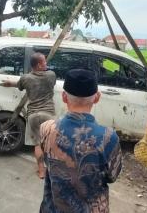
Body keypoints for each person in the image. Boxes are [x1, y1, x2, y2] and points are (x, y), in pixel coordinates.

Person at [39, 69, 122, 213]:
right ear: (97, 98)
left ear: (64, 97)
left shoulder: (46, 128)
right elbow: (112, 176)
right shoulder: (108, 137)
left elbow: (47, 160)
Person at [2, 53, 56, 179]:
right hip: (48, 114)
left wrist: (10, 83)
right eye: (44, 62)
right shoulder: (51, 75)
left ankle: (41, 171)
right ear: (38, 65)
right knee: (50, 144)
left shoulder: (26, 78)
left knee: (37, 144)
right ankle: (53, 171)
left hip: (33, 115)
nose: (46, 64)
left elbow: (20, 85)